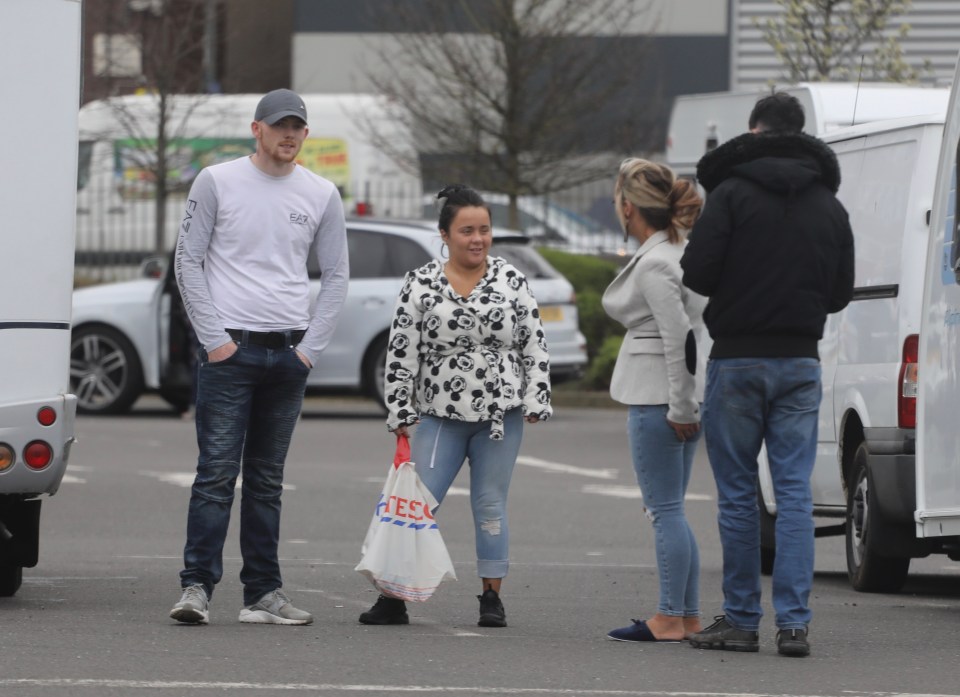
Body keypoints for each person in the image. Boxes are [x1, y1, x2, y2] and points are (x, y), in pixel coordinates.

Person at [680, 92, 854, 657]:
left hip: (737, 358)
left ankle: (740, 619)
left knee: (737, 496)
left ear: (754, 133)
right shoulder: (830, 205)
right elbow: (840, 294)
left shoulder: (729, 195)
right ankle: (795, 624)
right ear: (800, 135)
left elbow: (698, 274)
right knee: (796, 493)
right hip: (801, 360)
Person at [169, 88, 350, 625]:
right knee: (216, 475)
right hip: (232, 351)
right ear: (257, 129)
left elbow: (337, 275)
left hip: (287, 355)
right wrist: (214, 341)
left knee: (268, 480)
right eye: (279, 126)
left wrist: (309, 350)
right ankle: (196, 588)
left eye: (297, 127)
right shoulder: (218, 180)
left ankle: (263, 595)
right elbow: (187, 261)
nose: (288, 135)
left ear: (305, 134)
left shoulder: (321, 193)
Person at [358, 184, 552, 628]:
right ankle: (393, 597)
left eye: (484, 230)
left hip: (500, 416)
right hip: (436, 414)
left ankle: (491, 598)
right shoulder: (420, 282)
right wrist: (400, 411)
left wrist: (536, 395)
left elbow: (533, 343)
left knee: (490, 505)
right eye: (467, 230)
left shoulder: (511, 279)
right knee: (416, 503)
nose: (477, 239)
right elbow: (401, 351)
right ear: (444, 234)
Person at [601, 159, 707, 644]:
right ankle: (684, 616)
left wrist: (680, 408)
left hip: (657, 399)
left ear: (628, 207)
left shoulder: (657, 262)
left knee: (664, 510)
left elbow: (677, 337)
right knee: (674, 510)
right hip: (675, 397)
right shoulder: (679, 250)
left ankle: (669, 615)